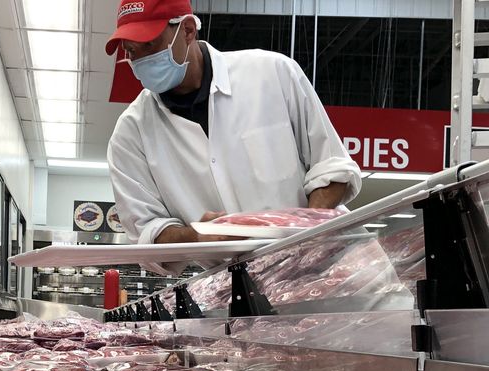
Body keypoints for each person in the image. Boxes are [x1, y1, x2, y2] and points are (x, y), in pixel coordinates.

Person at [105, 0, 362, 247]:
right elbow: (147, 231)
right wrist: (195, 236)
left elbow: (332, 168)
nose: (140, 61)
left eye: (149, 44)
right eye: (131, 51)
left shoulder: (272, 74)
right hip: (237, 282)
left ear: (187, 30)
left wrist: (301, 235)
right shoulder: (131, 133)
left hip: (331, 258)